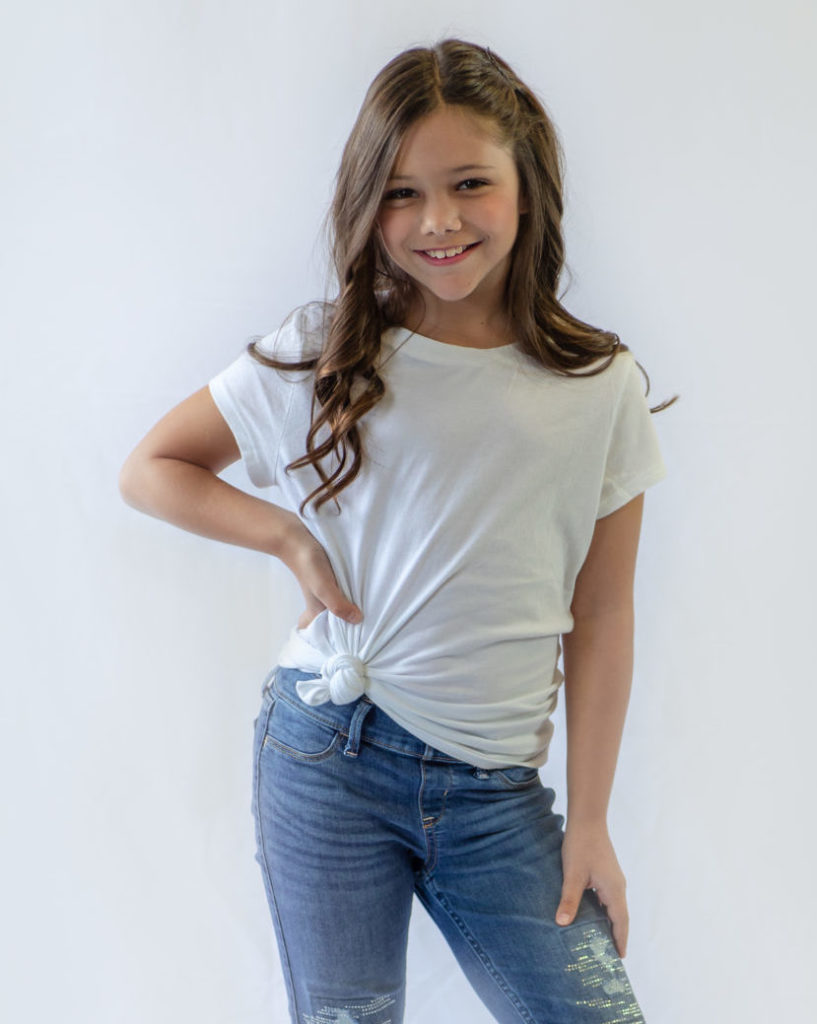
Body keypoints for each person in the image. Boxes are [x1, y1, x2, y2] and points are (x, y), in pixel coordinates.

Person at [119, 37, 673, 1024]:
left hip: (494, 792)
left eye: (469, 183)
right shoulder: (323, 350)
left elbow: (601, 614)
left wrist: (588, 819)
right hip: (327, 754)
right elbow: (152, 468)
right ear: (366, 204)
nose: (438, 220)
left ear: (527, 184)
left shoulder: (600, 387)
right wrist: (290, 540)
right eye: (401, 193)